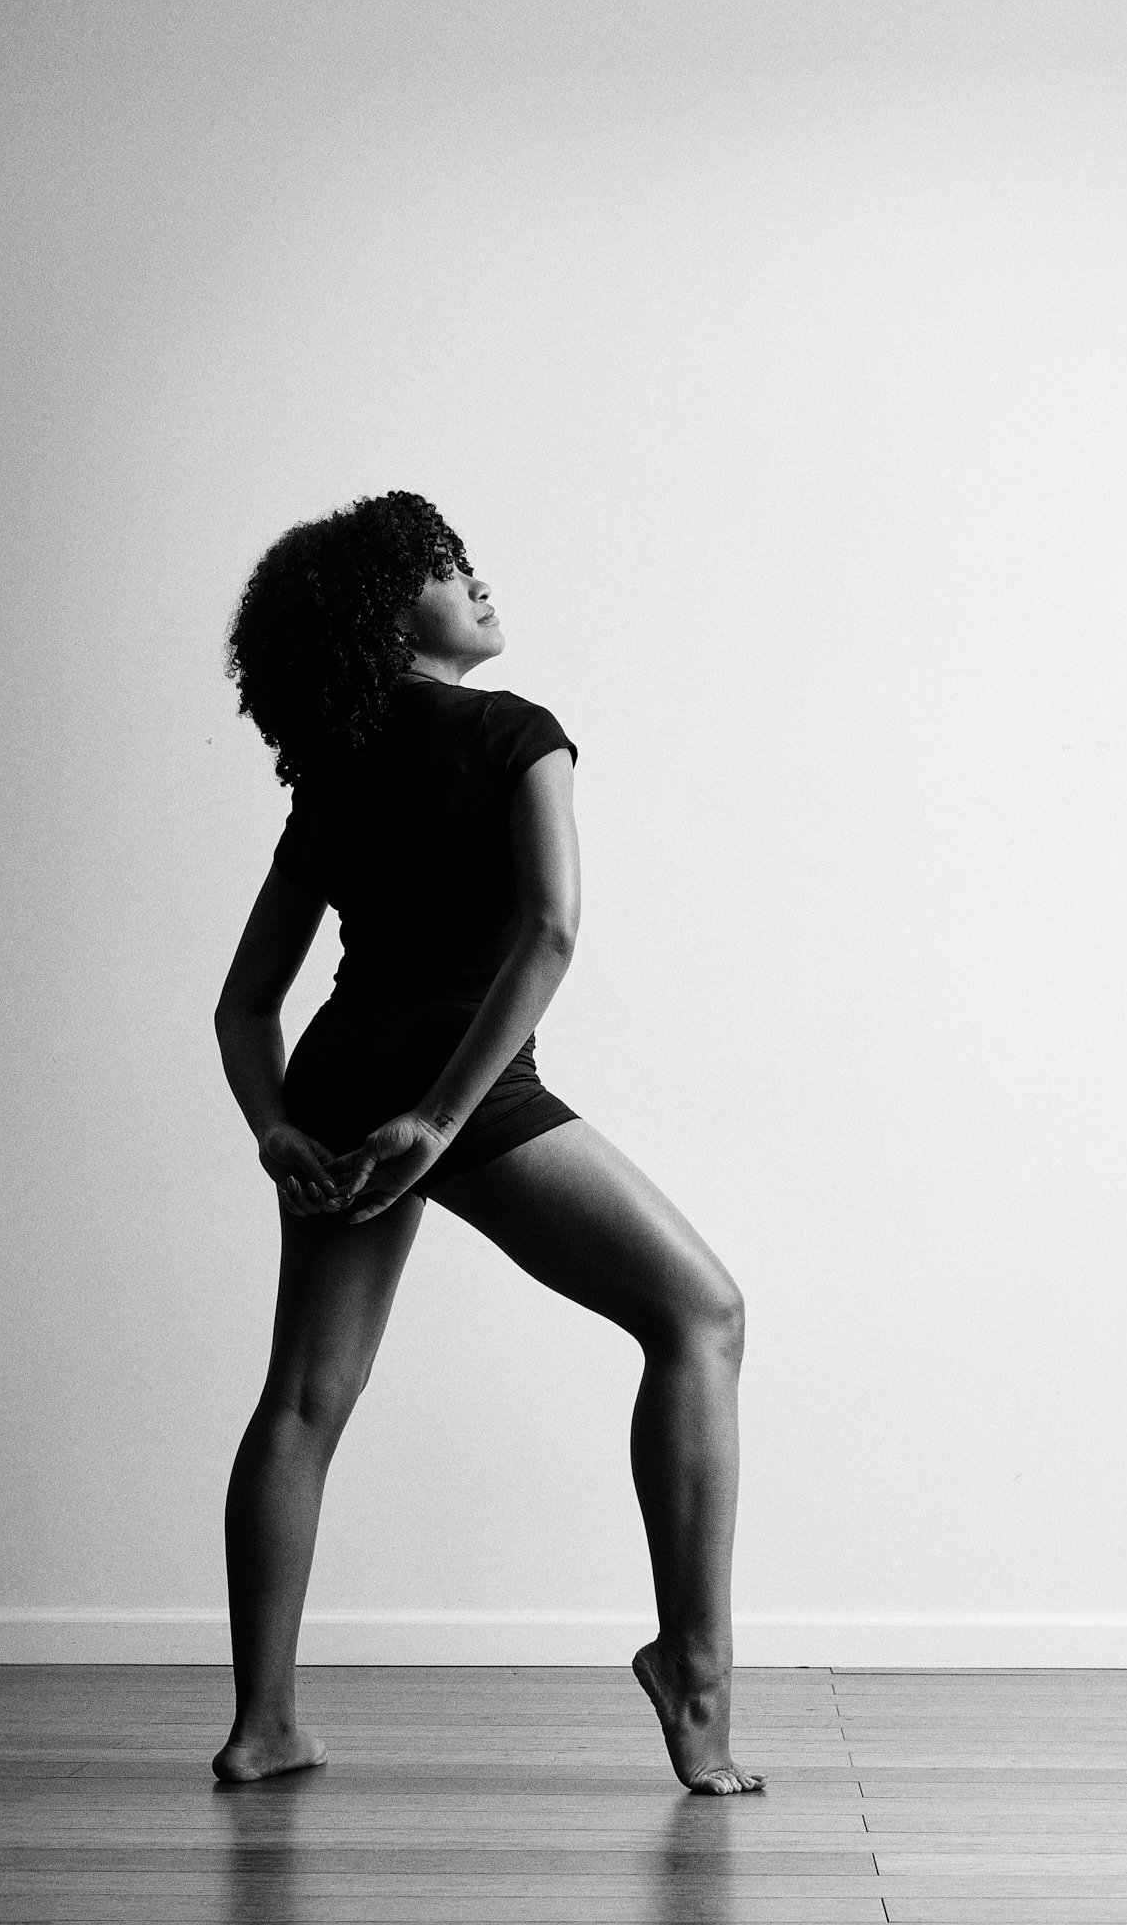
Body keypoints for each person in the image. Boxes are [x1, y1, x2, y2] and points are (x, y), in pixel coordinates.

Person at [209, 491, 760, 1794]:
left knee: (304, 1399)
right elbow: (551, 933)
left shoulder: (334, 776)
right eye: (444, 567)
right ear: (383, 612)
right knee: (703, 1316)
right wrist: (445, 1116)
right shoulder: (517, 732)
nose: (477, 582)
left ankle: (262, 1727)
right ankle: (693, 1670)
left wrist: (279, 1127)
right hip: (461, 1082)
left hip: (341, 1074)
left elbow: (244, 1006)